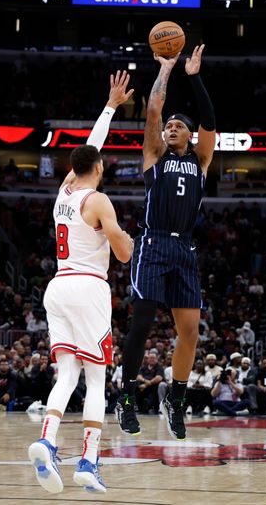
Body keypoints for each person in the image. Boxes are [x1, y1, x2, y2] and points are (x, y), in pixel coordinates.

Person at [28, 71, 134, 496]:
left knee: (66, 374)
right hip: (89, 286)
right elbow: (124, 255)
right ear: (102, 168)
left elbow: (91, 145)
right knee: (95, 380)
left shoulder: (64, 192)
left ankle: (47, 440)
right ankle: (89, 460)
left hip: (58, 286)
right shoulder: (100, 200)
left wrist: (109, 107)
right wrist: (125, 236)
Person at [117, 43, 216, 441]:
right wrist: (167, 68)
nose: (171, 127)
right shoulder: (155, 154)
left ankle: (175, 399)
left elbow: (209, 120)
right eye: (169, 126)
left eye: (179, 126)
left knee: (190, 331)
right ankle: (125, 397)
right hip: (153, 244)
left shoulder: (201, 160)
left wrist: (194, 77)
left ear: (190, 136)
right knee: (141, 322)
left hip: (185, 249)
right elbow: (154, 111)